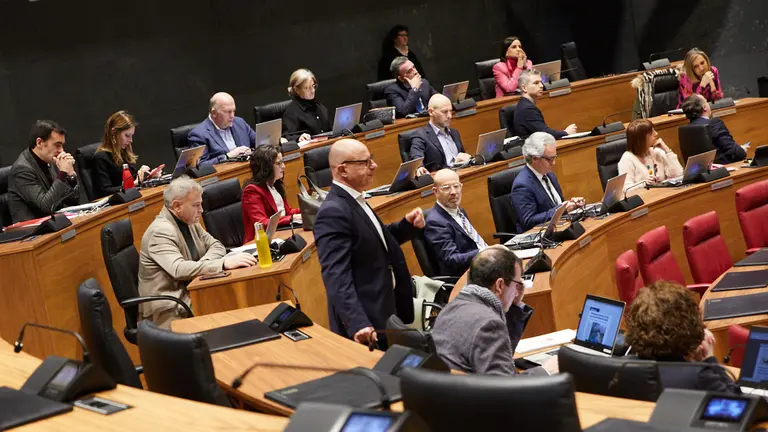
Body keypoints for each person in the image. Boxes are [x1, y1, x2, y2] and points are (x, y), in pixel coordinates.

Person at [314, 139, 424, 347]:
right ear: (343, 170)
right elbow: (336, 275)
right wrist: (357, 322)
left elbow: (374, 242)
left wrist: (406, 226)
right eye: (365, 162)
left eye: (370, 159)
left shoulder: (355, 200)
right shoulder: (333, 211)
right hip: (368, 322)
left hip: (385, 308)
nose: (374, 166)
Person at [138, 176, 257, 329]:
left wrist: (200, 264)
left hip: (193, 291)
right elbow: (179, 269)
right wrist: (222, 263)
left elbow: (217, 245)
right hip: (170, 307)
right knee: (233, 308)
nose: (201, 210)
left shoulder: (189, 220)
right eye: (196, 205)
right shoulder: (160, 232)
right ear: (177, 206)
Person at [431, 247, 558, 376]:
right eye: (517, 284)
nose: (518, 290)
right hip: (473, 395)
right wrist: (546, 371)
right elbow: (507, 390)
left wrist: (513, 306)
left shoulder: (449, 309)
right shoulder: (488, 324)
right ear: (499, 285)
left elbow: (502, 358)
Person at [625, 281, 740, 393]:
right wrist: (710, 360)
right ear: (688, 326)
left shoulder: (622, 368)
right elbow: (738, 402)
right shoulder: (699, 378)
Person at [511, 132, 585, 232]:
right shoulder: (522, 185)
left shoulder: (549, 175)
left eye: (554, 157)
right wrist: (561, 210)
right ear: (535, 159)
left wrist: (572, 204)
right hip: (541, 238)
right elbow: (528, 222)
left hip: (560, 228)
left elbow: (556, 205)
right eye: (550, 159)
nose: (553, 163)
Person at [8, 120, 79, 223]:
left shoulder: (49, 160)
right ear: (39, 142)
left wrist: (71, 176)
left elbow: (73, 201)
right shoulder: (22, 169)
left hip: (54, 224)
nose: (62, 151)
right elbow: (46, 206)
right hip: (33, 232)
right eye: (57, 145)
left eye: (62, 145)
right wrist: (62, 173)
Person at [424, 169, 486, 277]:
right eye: (446, 188)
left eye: (456, 186)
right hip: (466, 276)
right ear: (435, 191)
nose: (453, 192)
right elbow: (451, 260)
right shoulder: (435, 222)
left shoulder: (460, 212)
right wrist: (483, 252)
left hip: (481, 266)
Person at [241, 145, 302, 244]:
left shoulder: (275, 185)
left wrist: (308, 209)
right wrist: (292, 218)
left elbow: (287, 212)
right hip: (260, 243)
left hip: (281, 233)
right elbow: (261, 223)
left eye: (283, 162)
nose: (283, 166)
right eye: (279, 163)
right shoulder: (252, 191)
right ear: (266, 167)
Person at [93, 111, 161, 198]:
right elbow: (105, 191)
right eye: (127, 135)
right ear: (114, 133)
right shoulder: (101, 157)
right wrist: (135, 183)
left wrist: (147, 176)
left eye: (132, 136)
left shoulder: (124, 152)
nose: (131, 140)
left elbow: (133, 179)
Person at [408, 94, 471, 174]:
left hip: (461, 174)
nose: (450, 116)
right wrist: (420, 167)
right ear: (431, 112)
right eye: (445, 112)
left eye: (450, 111)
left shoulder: (454, 133)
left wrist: (466, 158)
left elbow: (462, 155)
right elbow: (416, 157)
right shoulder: (420, 135)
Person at [188, 92, 256, 166]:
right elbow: (200, 166)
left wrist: (252, 151)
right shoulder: (199, 135)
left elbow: (259, 144)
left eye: (234, 111)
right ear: (214, 113)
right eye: (228, 112)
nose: (232, 116)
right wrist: (227, 156)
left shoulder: (239, 123)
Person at [618, 119, 683, 191]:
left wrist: (667, 151)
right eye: (651, 133)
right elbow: (626, 189)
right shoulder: (627, 159)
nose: (656, 133)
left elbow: (679, 175)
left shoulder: (657, 152)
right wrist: (644, 184)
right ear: (641, 139)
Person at [681, 94, 747, 164]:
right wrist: (741, 150)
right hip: (721, 169)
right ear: (704, 107)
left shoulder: (684, 130)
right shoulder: (714, 123)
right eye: (706, 102)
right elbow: (734, 152)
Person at [513, 70, 577, 140]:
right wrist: (566, 132)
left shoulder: (525, 105)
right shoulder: (527, 109)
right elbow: (545, 134)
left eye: (541, 82)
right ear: (524, 88)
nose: (541, 86)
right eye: (536, 83)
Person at [282, 68, 331, 143]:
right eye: (307, 88)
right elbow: (286, 137)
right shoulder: (291, 112)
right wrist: (299, 137)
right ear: (297, 90)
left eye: (313, 86)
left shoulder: (319, 106)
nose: (312, 90)